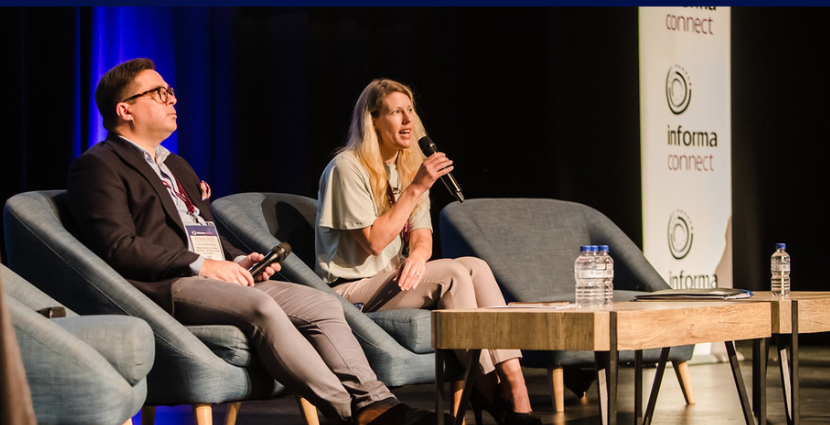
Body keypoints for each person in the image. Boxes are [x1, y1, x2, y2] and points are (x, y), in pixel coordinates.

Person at [67, 58, 449, 425]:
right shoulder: (99, 165)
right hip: (166, 285)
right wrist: (203, 265)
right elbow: (118, 247)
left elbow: (205, 232)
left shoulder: (175, 165)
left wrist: (239, 258)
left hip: (213, 275)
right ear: (125, 110)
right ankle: (353, 411)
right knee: (261, 304)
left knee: (320, 303)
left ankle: (376, 401)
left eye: (170, 91)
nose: (172, 99)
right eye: (158, 92)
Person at [315, 78, 541, 425]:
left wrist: (418, 258)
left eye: (410, 111)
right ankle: (484, 384)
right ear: (373, 119)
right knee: (452, 273)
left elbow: (422, 236)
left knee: (475, 266)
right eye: (396, 112)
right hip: (349, 289)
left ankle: (516, 387)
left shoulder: (407, 166)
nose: (408, 121)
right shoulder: (348, 168)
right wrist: (417, 187)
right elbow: (374, 241)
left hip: (392, 279)